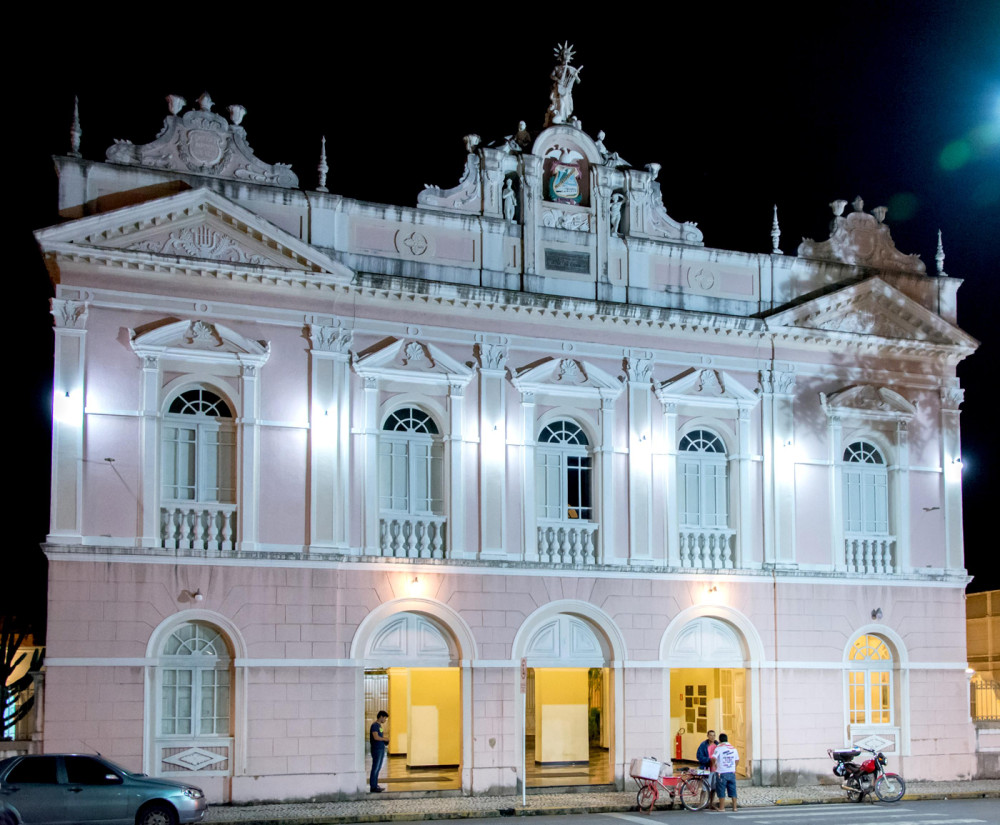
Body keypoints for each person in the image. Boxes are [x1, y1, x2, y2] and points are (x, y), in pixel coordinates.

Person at [713, 733, 739, 811]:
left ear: (720, 740)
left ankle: (722, 807)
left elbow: (713, 758)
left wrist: (715, 765)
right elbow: (737, 760)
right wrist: (733, 767)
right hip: (731, 772)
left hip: (721, 772)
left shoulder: (719, 748)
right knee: (733, 789)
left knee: (721, 790)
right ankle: (735, 807)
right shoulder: (733, 748)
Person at [369, 710, 389, 792]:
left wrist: (384, 741)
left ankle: (375, 785)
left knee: (378, 767)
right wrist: (385, 739)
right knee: (375, 767)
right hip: (376, 749)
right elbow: (376, 737)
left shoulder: (379, 726)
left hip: (380, 748)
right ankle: (373, 786)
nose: (385, 720)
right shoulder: (375, 726)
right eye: (385, 718)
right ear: (381, 716)